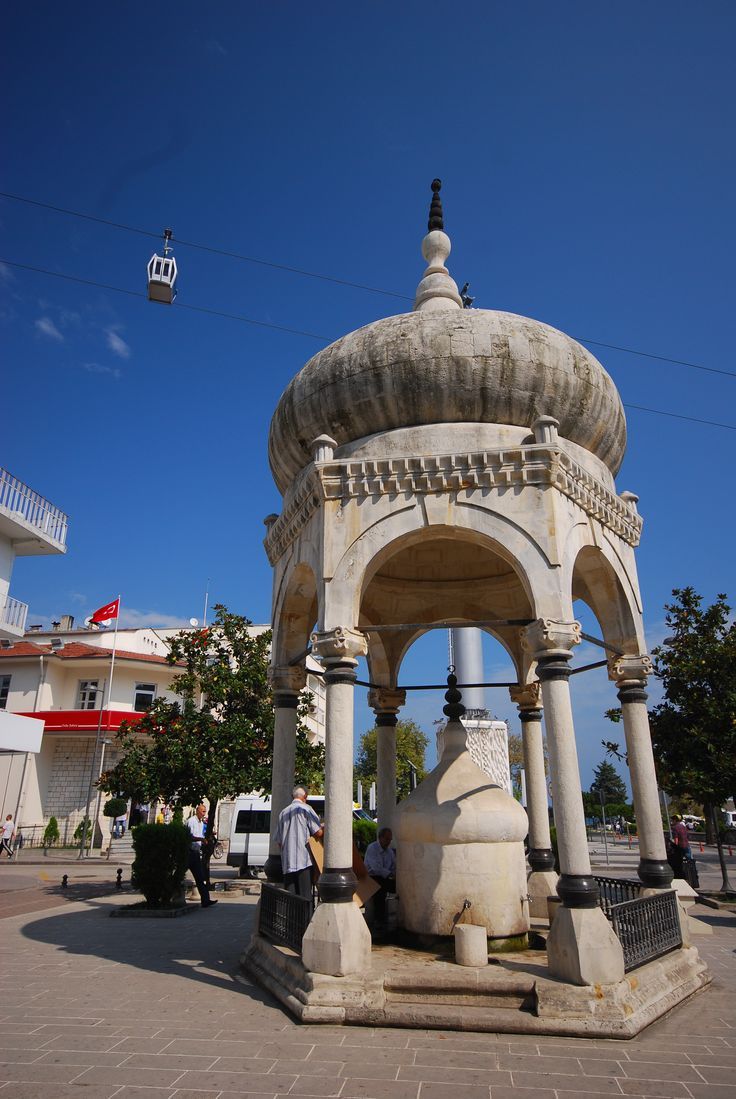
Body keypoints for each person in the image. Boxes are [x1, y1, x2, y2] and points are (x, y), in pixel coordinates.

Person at [274, 785, 323, 900]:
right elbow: (318, 833)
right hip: (304, 861)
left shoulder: (283, 813)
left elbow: (279, 841)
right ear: (305, 796)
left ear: (292, 796)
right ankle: (305, 918)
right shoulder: (307, 810)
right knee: (305, 895)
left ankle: (292, 918)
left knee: (291, 897)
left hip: (287, 862)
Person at [363, 827, 396, 928]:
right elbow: (376, 868)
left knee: (398, 887)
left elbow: (394, 866)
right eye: (386, 839)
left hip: (384, 877)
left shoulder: (389, 851)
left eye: (390, 839)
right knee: (380, 890)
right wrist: (390, 874)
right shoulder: (372, 848)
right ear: (380, 838)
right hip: (372, 877)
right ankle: (379, 920)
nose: (388, 842)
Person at [186, 803, 218, 908]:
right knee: (179, 875)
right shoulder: (192, 821)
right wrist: (200, 839)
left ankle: (205, 900)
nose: (204, 813)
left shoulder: (201, 823)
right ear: (198, 811)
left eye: (205, 811)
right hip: (188, 852)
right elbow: (189, 836)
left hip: (195, 853)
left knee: (200, 878)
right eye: (203, 811)